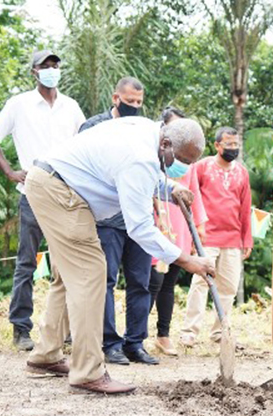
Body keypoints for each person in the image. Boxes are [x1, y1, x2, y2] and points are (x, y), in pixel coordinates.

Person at [22, 116, 214, 395]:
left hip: (50, 181)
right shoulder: (139, 157)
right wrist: (188, 260)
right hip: (60, 190)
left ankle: (46, 355)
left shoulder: (149, 133)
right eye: (182, 159)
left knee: (69, 277)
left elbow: (143, 175)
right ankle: (88, 372)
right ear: (166, 142)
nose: (182, 167)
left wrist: (170, 188)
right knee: (90, 274)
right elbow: (140, 228)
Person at [0, 49, 86, 351]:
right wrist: (9, 172)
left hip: (66, 192)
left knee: (67, 263)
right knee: (26, 262)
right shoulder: (19, 104)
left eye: (56, 65)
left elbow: (84, 142)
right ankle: (20, 329)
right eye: (46, 66)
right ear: (34, 72)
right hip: (32, 192)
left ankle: (66, 331)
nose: (52, 70)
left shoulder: (71, 107)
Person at [75, 77, 157, 365]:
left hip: (139, 217)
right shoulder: (93, 127)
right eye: (129, 101)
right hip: (106, 219)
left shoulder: (143, 130)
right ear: (115, 98)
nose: (134, 107)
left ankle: (135, 343)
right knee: (106, 281)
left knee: (141, 283)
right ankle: (110, 344)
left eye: (138, 102)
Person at [179, 126, 252, 347]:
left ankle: (220, 333)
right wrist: (192, 235)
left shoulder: (241, 172)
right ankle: (189, 332)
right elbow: (190, 200)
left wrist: (246, 239)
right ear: (217, 146)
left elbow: (245, 206)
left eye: (235, 144)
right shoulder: (201, 167)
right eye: (228, 144)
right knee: (200, 284)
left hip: (232, 239)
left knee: (228, 288)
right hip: (207, 237)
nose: (233, 148)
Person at [148, 106, 207, 356]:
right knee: (152, 282)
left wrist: (199, 226)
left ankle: (164, 335)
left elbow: (195, 194)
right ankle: (137, 334)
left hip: (179, 224)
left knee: (170, 282)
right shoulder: (151, 156)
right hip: (155, 223)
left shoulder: (187, 162)